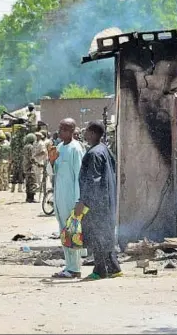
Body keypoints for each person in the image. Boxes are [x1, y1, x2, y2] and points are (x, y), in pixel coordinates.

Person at [75, 121, 122, 280]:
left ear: (93, 133)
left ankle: (100, 270)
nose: (84, 133)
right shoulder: (105, 150)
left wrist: (83, 201)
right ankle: (114, 268)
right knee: (106, 235)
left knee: (97, 236)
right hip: (106, 200)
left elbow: (92, 180)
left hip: (96, 202)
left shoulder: (94, 153)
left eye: (87, 131)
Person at [50, 118, 85, 278]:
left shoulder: (75, 149)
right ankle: (68, 266)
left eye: (63, 129)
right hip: (59, 196)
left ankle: (75, 267)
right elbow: (53, 172)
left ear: (71, 131)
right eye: (59, 128)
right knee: (63, 231)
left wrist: (79, 200)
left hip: (71, 197)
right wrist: (51, 162)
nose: (60, 132)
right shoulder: (59, 147)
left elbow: (80, 176)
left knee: (72, 231)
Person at [9, 125, 27, 193]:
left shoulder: (13, 137)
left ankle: (13, 188)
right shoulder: (24, 138)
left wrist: (11, 157)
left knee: (15, 172)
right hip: (21, 157)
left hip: (16, 157)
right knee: (20, 173)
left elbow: (11, 148)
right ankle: (19, 188)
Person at [22, 133, 40, 203]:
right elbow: (31, 158)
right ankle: (31, 198)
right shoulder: (31, 147)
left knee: (27, 182)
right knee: (32, 182)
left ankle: (28, 197)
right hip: (30, 167)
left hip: (25, 166)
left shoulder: (25, 146)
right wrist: (38, 164)